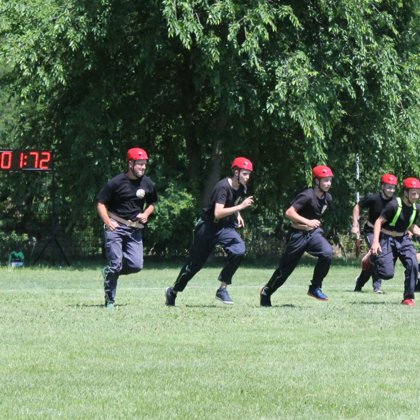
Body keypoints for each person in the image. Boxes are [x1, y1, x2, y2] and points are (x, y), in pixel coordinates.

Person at [165, 157, 254, 306]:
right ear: (236, 172)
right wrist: (241, 207)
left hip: (224, 227)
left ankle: (222, 289)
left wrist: (237, 214)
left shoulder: (241, 187)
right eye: (245, 173)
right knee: (194, 266)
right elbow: (218, 213)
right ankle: (173, 291)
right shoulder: (222, 187)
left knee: (239, 250)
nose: (247, 177)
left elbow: (232, 202)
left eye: (249, 174)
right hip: (208, 227)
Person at [260, 165, 334, 307]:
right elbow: (289, 213)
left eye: (330, 180)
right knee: (284, 271)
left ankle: (315, 287)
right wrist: (307, 222)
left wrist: (311, 225)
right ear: (317, 181)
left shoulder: (328, 198)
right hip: (298, 235)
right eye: (325, 180)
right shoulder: (307, 196)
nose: (328, 183)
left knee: (327, 253)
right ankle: (266, 292)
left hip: (313, 234)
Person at [97, 147, 158, 308]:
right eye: (140, 164)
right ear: (130, 164)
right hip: (115, 227)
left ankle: (109, 272)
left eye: (144, 164)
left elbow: (152, 203)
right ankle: (110, 300)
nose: (143, 167)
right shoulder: (116, 182)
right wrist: (108, 222)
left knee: (136, 265)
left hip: (134, 229)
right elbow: (101, 203)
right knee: (116, 264)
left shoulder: (147, 183)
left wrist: (146, 214)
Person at [370, 177, 420, 306]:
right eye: (413, 193)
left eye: (418, 193)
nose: (416, 196)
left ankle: (408, 298)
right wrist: (375, 242)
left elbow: (412, 226)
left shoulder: (416, 208)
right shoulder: (393, 205)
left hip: (404, 240)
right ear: (405, 192)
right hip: (387, 239)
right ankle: (372, 260)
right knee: (387, 274)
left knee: (413, 264)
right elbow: (378, 222)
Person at [351, 174, 398, 293]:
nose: (391, 190)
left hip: (386, 234)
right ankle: (377, 287)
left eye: (393, 188)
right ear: (382, 186)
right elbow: (357, 207)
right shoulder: (373, 198)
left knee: (374, 261)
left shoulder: (396, 202)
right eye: (389, 187)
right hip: (371, 231)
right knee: (378, 254)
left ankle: (360, 282)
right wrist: (355, 224)